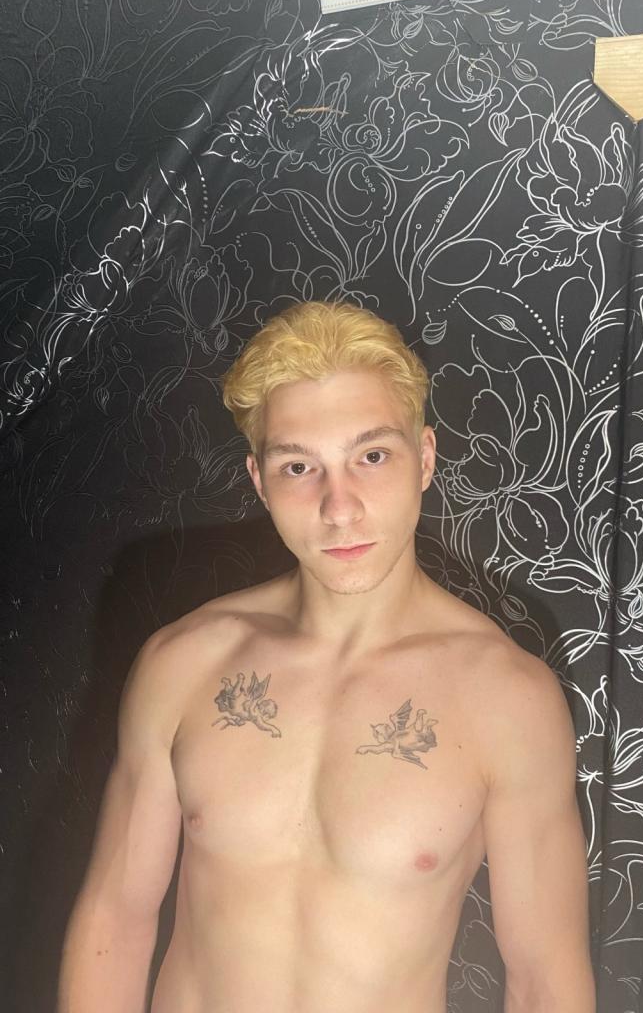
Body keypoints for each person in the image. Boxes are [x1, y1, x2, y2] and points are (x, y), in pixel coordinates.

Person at [57, 300, 596, 1013]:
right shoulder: (183, 663)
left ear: (424, 458)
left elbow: (544, 976)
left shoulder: (506, 697)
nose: (339, 508)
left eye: (371, 456)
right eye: (298, 466)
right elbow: (115, 916)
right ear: (259, 481)